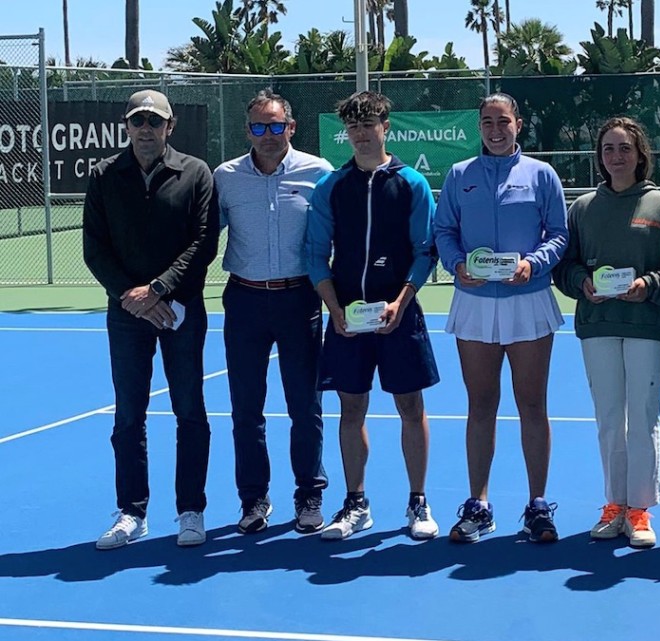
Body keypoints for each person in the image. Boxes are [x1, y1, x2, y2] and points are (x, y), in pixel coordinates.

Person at [83, 90, 219, 550]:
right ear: (126, 126)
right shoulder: (104, 176)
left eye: (154, 122)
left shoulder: (195, 173)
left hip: (181, 312)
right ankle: (131, 513)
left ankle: (191, 511)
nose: (146, 129)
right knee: (128, 415)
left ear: (170, 126)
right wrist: (131, 296)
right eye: (138, 121)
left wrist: (159, 290)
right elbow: (94, 248)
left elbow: (203, 243)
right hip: (126, 315)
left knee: (190, 412)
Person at [434, 93, 568, 544]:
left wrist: (535, 263)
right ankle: (479, 505)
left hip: (528, 300)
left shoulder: (541, 174)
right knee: (481, 406)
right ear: (479, 125)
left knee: (532, 405)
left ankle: (537, 505)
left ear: (518, 124)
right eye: (487, 121)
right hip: (474, 303)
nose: (495, 129)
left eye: (503, 121)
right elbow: (443, 230)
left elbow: (558, 234)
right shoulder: (459, 175)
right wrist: (456, 265)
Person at [306, 91, 440, 541]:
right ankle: (355, 502)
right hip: (348, 320)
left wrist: (401, 303)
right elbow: (314, 255)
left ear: (387, 126)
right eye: (354, 127)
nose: (362, 134)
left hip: (400, 317)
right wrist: (335, 309)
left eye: (370, 125)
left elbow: (425, 252)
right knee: (351, 408)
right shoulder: (331, 187)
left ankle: (418, 502)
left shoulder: (413, 184)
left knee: (410, 406)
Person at [553, 117, 660, 549]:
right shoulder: (582, 208)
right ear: (600, 156)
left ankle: (640, 509)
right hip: (597, 326)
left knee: (643, 418)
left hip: (648, 325)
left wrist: (648, 286)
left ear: (640, 154)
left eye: (625, 148)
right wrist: (582, 284)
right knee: (610, 420)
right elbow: (566, 265)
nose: (616, 156)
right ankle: (614, 503)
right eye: (609, 149)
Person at [214, 89, 333, 536]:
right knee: (246, 408)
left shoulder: (319, 172)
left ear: (291, 127)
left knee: (305, 404)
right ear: (248, 130)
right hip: (244, 300)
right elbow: (201, 234)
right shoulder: (224, 177)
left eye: (276, 125)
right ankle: (254, 499)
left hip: (299, 298)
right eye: (259, 127)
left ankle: (309, 495)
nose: (267, 134)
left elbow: (338, 234)